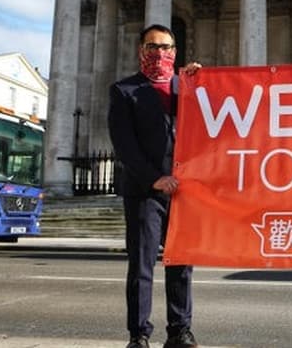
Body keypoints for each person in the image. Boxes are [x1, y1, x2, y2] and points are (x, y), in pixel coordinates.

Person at [108, 24, 200, 348]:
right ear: (141, 51)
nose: (159, 53)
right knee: (142, 265)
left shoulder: (184, 86)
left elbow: (214, 119)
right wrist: (153, 178)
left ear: (175, 51)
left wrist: (200, 82)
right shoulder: (124, 90)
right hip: (145, 192)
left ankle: (179, 331)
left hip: (182, 191)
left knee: (181, 265)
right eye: (152, 47)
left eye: (165, 47)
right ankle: (139, 334)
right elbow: (124, 144)